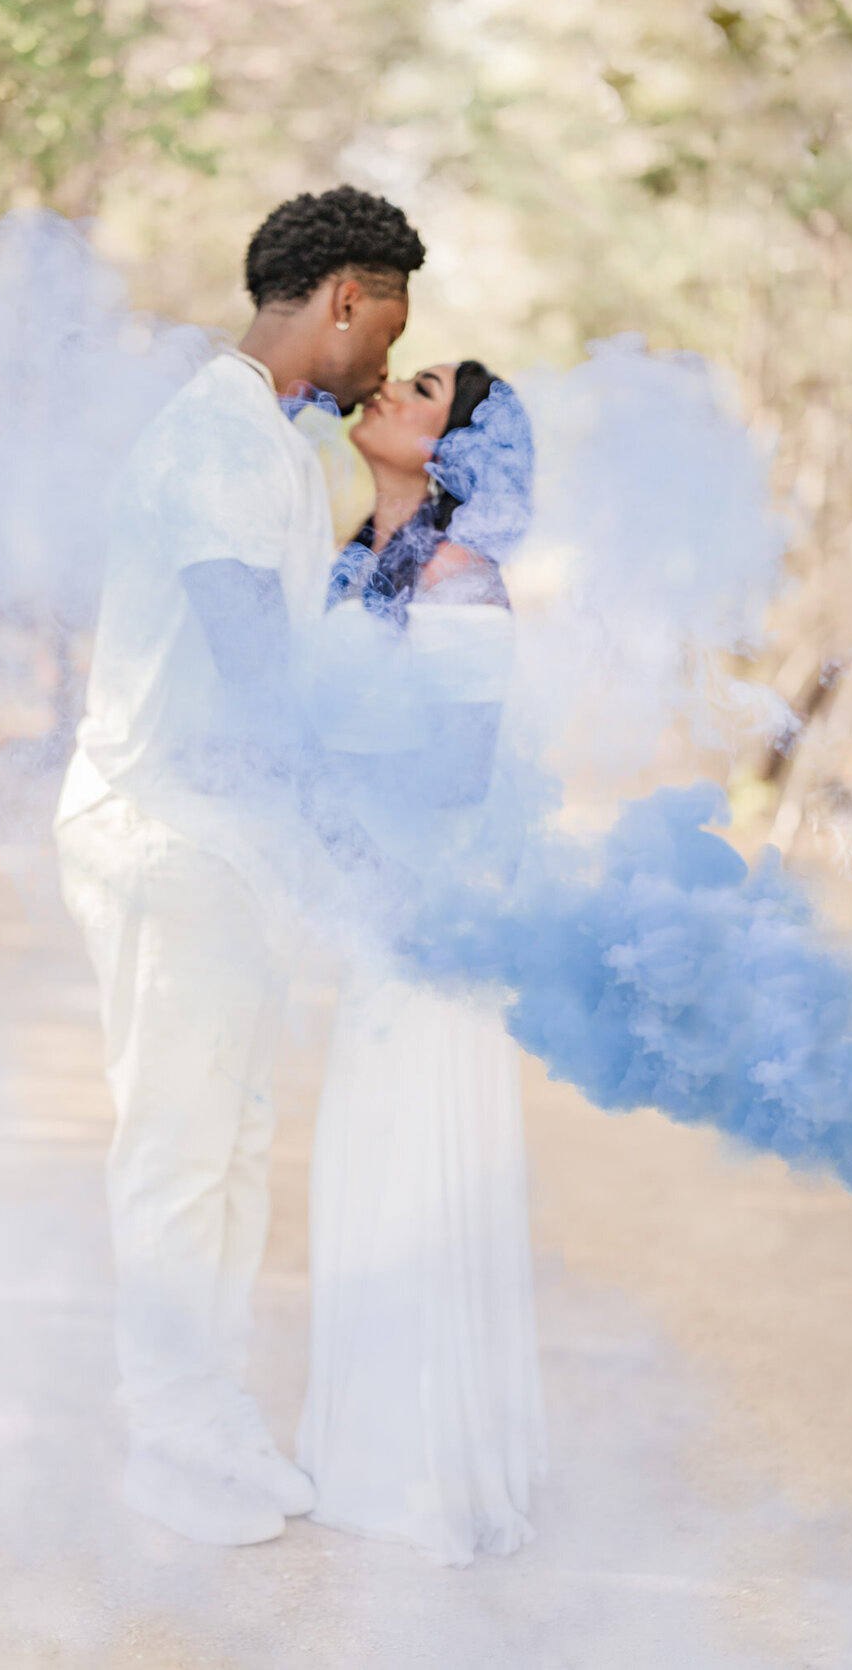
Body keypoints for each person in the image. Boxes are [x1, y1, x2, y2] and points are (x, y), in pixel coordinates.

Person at [54, 187, 425, 1546]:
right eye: (390, 321)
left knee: (234, 1139)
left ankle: (204, 1409)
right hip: (161, 833)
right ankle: (165, 1433)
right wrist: (343, 826)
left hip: (226, 842)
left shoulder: (269, 443)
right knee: (179, 1143)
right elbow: (249, 657)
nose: (389, 356)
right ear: (342, 297)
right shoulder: (214, 433)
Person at [296, 361, 548, 1565]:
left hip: (427, 914)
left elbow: (455, 774)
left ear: (451, 454)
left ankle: (423, 1465)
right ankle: (356, 1446)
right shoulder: (354, 563)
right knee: (362, 1148)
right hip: (368, 908)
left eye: (426, 389)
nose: (392, 386)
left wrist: (335, 804)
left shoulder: (462, 581)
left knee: (416, 1157)